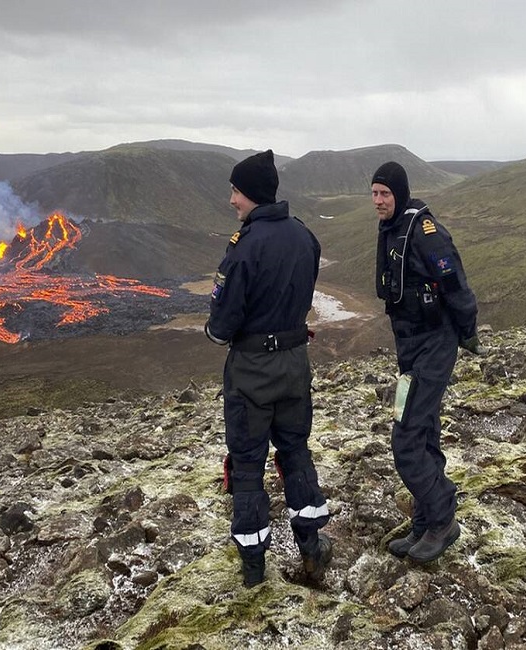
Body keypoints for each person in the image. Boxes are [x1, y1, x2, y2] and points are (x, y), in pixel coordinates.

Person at [205, 149, 332, 586]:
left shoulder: (244, 248)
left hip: (252, 375)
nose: (232, 201)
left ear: (252, 194)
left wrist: (217, 330)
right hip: (295, 366)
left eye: (236, 192)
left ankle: (254, 570)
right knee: (295, 453)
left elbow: (222, 327)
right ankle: (312, 547)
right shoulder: (305, 236)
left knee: (247, 466)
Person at [371, 161, 481, 564]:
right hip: (410, 349)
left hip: (435, 344)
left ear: (399, 194)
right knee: (423, 428)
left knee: (406, 439)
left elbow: (453, 282)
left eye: (385, 194)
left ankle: (442, 518)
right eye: (375, 193)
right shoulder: (391, 228)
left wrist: (468, 330)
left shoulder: (424, 231)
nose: (378, 201)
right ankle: (424, 522)